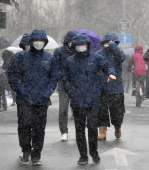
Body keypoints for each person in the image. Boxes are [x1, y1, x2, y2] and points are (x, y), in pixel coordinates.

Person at [62, 33, 116, 165]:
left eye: (83, 44)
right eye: (78, 45)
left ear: (88, 45)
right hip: (77, 101)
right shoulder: (70, 61)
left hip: (93, 100)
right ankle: (83, 156)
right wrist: (71, 91)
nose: (81, 47)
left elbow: (107, 65)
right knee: (79, 130)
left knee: (92, 128)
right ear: (74, 46)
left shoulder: (96, 58)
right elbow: (65, 78)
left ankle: (94, 152)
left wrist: (110, 73)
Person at [7, 29, 58, 165]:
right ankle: (25, 151)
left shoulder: (49, 58)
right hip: (25, 100)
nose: (39, 43)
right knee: (24, 126)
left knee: (39, 128)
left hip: (42, 100)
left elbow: (54, 77)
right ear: (31, 41)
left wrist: (48, 91)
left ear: (45, 42)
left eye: (41, 41)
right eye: (36, 40)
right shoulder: (20, 57)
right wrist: (21, 90)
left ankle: (37, 154)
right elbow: (13, 75)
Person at [96, 33, 126, 141]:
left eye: (111, 42)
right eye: (106, 42)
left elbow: (122, 58)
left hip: (116, 87)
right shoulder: (98, 54)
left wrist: (113, 47)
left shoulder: (118, 53)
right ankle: (102, 130)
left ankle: (117, 126)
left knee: (117, 111)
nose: (108, 44)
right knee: (102, 110)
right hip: (102, 86)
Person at [53, 30, 78, 141]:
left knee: (78, 109)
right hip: (63, 85)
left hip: (77, 85)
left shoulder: (79, 51)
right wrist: (62, 76)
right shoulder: (59, 52)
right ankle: (64, 131)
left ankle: (79, 131)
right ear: (67, 40)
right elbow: (54, 67)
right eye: (71, 40)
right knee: (63, 109)